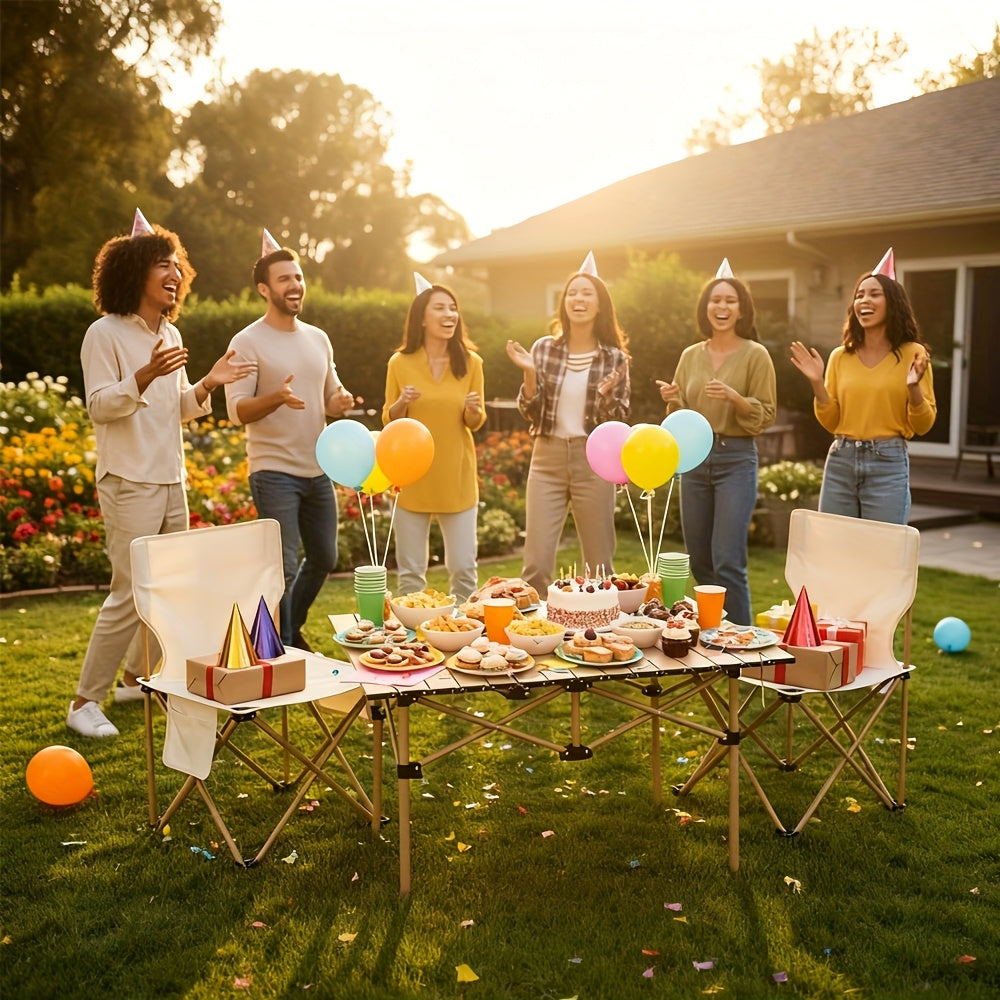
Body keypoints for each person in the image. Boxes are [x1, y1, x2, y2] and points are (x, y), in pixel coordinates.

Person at [68, 209, 255, 738]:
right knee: (129, 593)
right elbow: (99, 405)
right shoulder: (103, 333)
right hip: (128, 481)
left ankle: (135, 678)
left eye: (177, 266)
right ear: (133, 271)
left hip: (171, 479)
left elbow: (179, 408)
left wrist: (209, 383)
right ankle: (84, 702)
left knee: (169, 589)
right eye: (162, 265)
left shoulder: (170, 333)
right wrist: (144, 375)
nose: (174, 275)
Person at [225, 232, 356, 650]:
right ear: (264, 289)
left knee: (324, 557)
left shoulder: (318, 338)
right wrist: (276, 398)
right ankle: (278, 651)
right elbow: (237, 410)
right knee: (281, 566)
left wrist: (341, 402)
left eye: (298, 277)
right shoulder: (247, 342)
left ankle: (290, 629)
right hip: (273, 470)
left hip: (318, 469)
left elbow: (331, 397)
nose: (295, 285)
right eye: (284, 279)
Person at [656, 260, 776, 627]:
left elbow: (765, 414)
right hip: (695, 460)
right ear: (705, 308)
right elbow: (683, 417)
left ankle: (742, 640)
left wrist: (734, 397)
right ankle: (712, 634)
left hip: (736, 460)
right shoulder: (690, 355)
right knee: (699, 559)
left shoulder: (756, 354)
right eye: (715, 300)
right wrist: (673, 399)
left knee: (727, 559)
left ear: (742, 310)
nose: (722, 307)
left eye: (730, 301)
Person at [505, 253, 630, 594]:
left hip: (594, 462)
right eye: (573, 293)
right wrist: (529, 374)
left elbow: (618, 421)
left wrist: (606, 396)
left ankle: (598, 623)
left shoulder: (614, 358)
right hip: (547, 459)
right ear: (564, 303)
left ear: (600, 305)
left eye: (587, 293)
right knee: (536, 565)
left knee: (599, 567)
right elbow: (530, 411)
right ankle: (536, 624)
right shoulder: (544, 350)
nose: (579, 299)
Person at [790, 247, 935, 524]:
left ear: (893, 303)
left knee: (882, 545)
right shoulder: (840, 356)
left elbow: (923, 425)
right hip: (841, 460)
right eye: (859, 295)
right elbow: (832, 422)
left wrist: (914, 388)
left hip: (888, 463)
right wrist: (817, 383)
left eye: (874, 294)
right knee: (835, 543)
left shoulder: (913, 354)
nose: (864, 300)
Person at [382, 275, 486, 602]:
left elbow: (475, 421)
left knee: (464, 568)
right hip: (412, 477)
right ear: (422, 318)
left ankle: (466, 631)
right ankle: (412, 632)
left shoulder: (471, 363)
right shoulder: (400, 363)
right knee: (411, 572)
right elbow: (389, 419)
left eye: (453, 308)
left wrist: (472, 410)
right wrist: (402, 403)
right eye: (439, 308)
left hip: (456, 477)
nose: (449, 314)